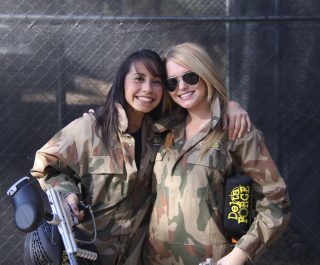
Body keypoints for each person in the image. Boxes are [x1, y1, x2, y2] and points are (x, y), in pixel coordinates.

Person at [30, 49, 251, 265]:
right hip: (89, 252)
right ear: (122, 82)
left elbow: (199, 106)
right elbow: (46, 164)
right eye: (138, 78)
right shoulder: (89, 129)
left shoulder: (162, 130)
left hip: (136, 256)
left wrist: (230, 106)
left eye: (156, 82)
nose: (147, 89)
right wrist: (68, 194)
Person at [143, 43, 291, 265]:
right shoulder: (161, 129)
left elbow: (276, 202)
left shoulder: (236, 131)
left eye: (190, 77)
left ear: (205, 74)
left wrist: (238, 256)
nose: (181, 87)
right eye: (172, 83)